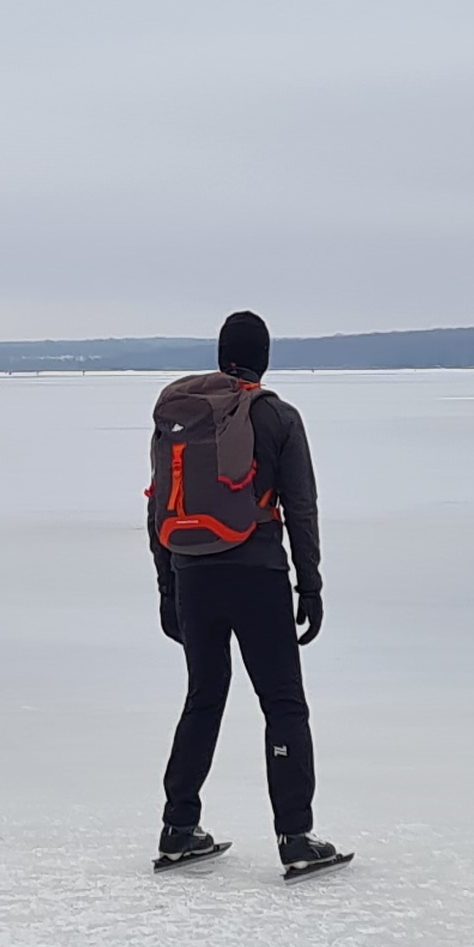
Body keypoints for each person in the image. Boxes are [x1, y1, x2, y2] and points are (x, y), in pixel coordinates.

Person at [146, 310, 351, 877]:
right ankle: (296, 836)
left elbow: (158, 504)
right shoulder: (277, 417)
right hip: (256, 572)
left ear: (220, 356)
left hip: (192, 573)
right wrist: (309, 585)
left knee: (204, 696)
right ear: (264, 358)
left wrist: (168, 587)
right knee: (282, 703)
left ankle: (178, 827)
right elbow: (300, 507)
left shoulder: (181, 417)